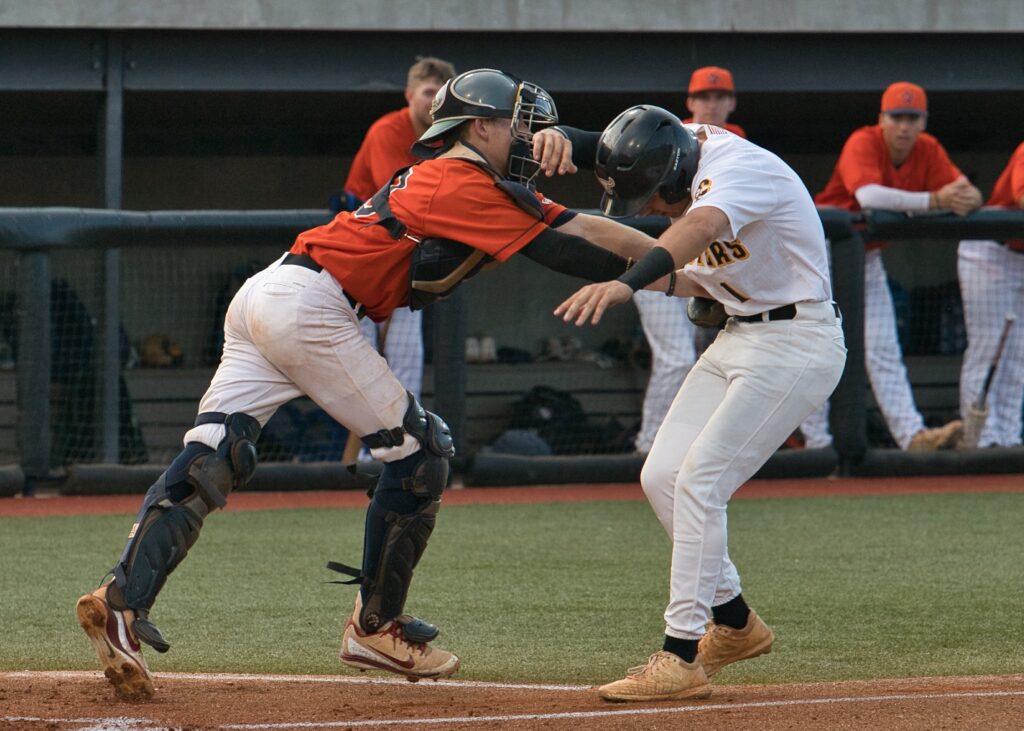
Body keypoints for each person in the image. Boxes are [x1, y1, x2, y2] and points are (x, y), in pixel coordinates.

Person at [74, 68, 668, 701]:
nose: (527, 135)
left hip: (272, 293)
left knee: (213, 459)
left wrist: (674, 253)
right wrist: (682, 265)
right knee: (423, 455)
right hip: (312, 305)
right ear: (481, 126)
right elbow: (569, 249)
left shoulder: (467, 177)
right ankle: (375, 628)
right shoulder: (461, 178)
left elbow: (580, 225)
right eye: (517, 123)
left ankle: (122, 600)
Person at [552, 105, 847, 702]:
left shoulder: (736, 170)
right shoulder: (669, 153)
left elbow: (695, 232)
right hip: (739, 333)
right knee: (661, 476)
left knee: (700, 483)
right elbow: (677, 263)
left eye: (657, 200)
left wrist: (625, 284)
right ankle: (735, 622)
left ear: (676, 175)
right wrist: (557, 168)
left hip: (797, 341)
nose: (656, 212)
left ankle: (680, 655)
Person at [801, 81, 982, 451]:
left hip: (864, 255)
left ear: (923, 122)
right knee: (815, 347)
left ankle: (911, 436)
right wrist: (935, 200)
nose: (904, 126)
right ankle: (817, 444)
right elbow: (869, 197)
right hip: (817, 249)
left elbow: (968, 192)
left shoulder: (928, 149)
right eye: (897, 117)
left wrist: (967, 197)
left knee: (883, 348)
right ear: (881, 118)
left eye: (912, 118)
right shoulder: (863, 141)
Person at [627, 67, 748, 456]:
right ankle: (647, 447)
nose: (711, 105)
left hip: (702, 265)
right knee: (677, 359)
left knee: (697, 360)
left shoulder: (737, 143)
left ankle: (678, 448)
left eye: (719, 97)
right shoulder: (669, 138)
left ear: (730, 102)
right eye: (704, 97)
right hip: (656, 252)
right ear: (690, 102)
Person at [344, 57, 457, 400]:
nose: (433, 100)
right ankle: (364, 447)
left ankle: (405, 434)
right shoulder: (387, 131)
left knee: (406, 342)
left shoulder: (448, 138)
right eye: (427, 91)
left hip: (407, 251)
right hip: (361, 251)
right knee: (360, 349)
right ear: (409, 95)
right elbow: (398, 199)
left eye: (440, 94)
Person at [957, 141, 1024, 447]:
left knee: (1018, 356)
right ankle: (981, 441)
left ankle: (1008, 438)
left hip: (1019, 257)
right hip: (989, 252)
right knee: (988, 347)